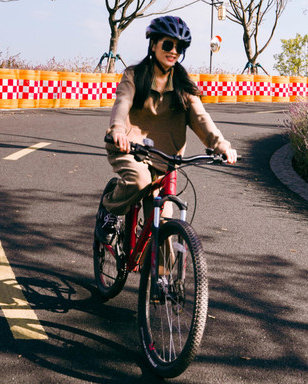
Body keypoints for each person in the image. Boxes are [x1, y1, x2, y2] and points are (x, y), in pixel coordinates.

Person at [95, 15, 237, 242]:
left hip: (165, 160)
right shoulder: (135, 75)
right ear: (153, 45)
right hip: (130, 149)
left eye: (179, 48)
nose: (173, 51)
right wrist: (118, 129)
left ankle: (159, 266)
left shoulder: (183, 85)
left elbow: (201, 118)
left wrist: (221, 145)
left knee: (163, 225)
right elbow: (122, 102)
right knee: (139, 180)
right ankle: (109, 209)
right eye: (168, 45)